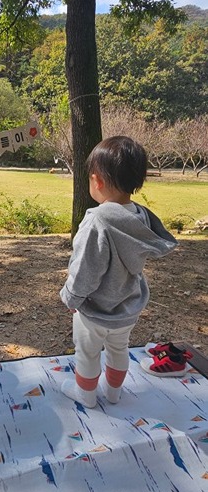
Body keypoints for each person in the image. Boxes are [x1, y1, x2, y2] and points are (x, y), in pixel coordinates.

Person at [60, 135, 178, 409]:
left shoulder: (97, 221)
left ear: (97, 181)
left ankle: (86, 397)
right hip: (128, 308)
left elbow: (85, 271)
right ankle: (114, 394)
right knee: (118, 349)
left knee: (88, 353)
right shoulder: (140, 218)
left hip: (95, 310)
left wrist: (71, 297)